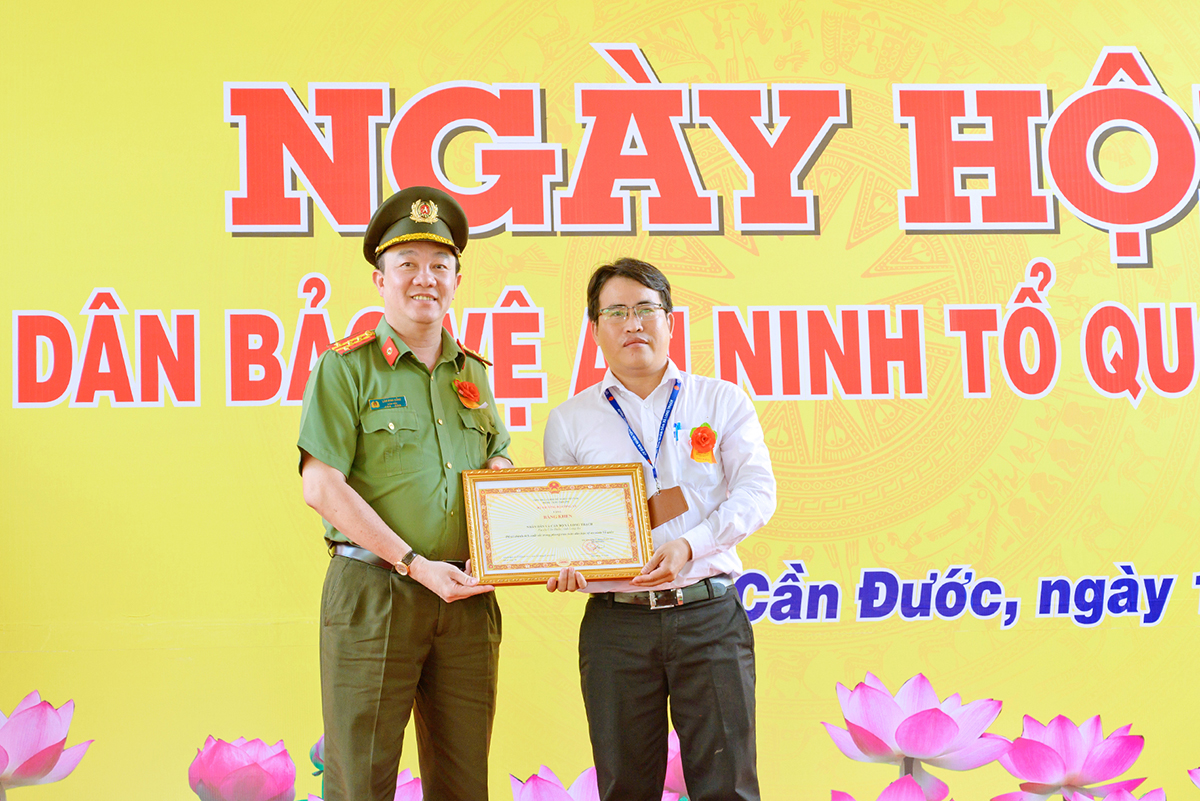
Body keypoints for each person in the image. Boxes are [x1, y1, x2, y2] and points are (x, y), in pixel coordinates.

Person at [298, 186, 512, 801]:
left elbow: (497, 456)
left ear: (456, 280)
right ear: (380, 279)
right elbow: (321, 485)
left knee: (464, 783)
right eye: (408, 265)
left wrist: (511, 505)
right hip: (376, 592)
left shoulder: (473, 373)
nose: (425, 279)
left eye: (440, 266)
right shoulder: (346, 367)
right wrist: (415, 564)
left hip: (466, 597)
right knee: (360, 782)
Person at [542, 257, 776, 801]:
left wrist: (690, 544)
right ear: (595, 328)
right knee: (625, 788)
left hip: (709, 615)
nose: (633, 324)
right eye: (616, 312)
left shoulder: (721, 400)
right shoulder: (570, 420)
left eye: (646, 309)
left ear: (670, 321)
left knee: (729, 787)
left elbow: (757, 492)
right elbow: (567, 524)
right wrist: (564, 562)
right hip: (617, 626)